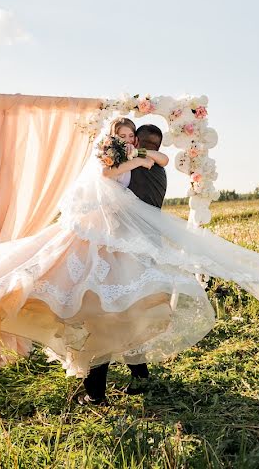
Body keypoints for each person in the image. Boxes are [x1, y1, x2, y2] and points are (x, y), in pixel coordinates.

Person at [0, 116, 259, 406]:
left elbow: (151, 166)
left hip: (117, 243)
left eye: (131, 134)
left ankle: (116, 381)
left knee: (120, 309)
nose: (127, 138)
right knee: (63, 297)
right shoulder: (110, 156)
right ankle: (95, 386)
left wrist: (144, 157)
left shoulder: (143, 158)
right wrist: (132, 159)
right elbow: (108, 179)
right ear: (114, 136)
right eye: (122, 133)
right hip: (95, 240)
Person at [81, 121, 168, 401]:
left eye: (133, 139)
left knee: (108, 314)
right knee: (130, 312)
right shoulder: (152, 169)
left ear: (141, 145)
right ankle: (139, 375)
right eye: (124, 138)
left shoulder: (142, 165)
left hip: (121, 247)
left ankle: (96, 393)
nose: (130, 143)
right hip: (138, 249)